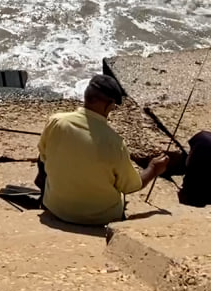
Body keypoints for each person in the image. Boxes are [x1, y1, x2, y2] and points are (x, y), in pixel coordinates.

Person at [37, 73, 169, 225]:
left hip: (56, 209)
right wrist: (153, 169)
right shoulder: (114, 143)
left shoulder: (56, 121)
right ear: (110, 104)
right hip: (99, 218)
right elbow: (130, 186)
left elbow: (43, 156)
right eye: (113, 106)